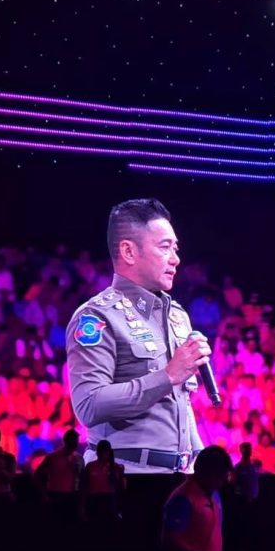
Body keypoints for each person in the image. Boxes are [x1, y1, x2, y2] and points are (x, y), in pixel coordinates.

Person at [66, 199, 210, 474]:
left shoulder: (177, 316)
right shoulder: (96, 317)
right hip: (125, 476)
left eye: (175, 248)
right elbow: (89, 405)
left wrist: (200, 459)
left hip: (180, 475)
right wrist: (166, 376)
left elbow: (181, 403)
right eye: (165, 247)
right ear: (129, 252)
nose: (175, 259)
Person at [80, 440, 127, 551]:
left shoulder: (115, 467)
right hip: (94, 501)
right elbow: (84, 488)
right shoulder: (90, 466)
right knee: (94, 538)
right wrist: (83, 507)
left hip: (109, 501)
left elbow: (122, 489)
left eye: (106, 451)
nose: (103, 454)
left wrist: (120, 474)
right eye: (101, 451)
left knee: (112, 538)